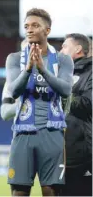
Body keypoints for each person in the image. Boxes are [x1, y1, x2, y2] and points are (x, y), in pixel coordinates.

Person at [5, 8, 74, 196]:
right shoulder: (14, 59)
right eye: (26, 26)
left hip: (52, 132)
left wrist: (43, 69)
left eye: (35, 25)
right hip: (23, 133)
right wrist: (28, 69)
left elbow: (66, 90)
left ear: (47, 31)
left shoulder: (62, 59)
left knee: (50, 191)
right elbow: (14, 91)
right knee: (19, 191)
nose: (29, 29)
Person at [60, 33, 92, 196]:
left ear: (78, 49)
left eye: (65, 46)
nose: (61, 50)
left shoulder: (90, 72)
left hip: (83, 153)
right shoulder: (61, 73)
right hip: (61, 151)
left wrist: (61, 93)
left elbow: (88, 104)